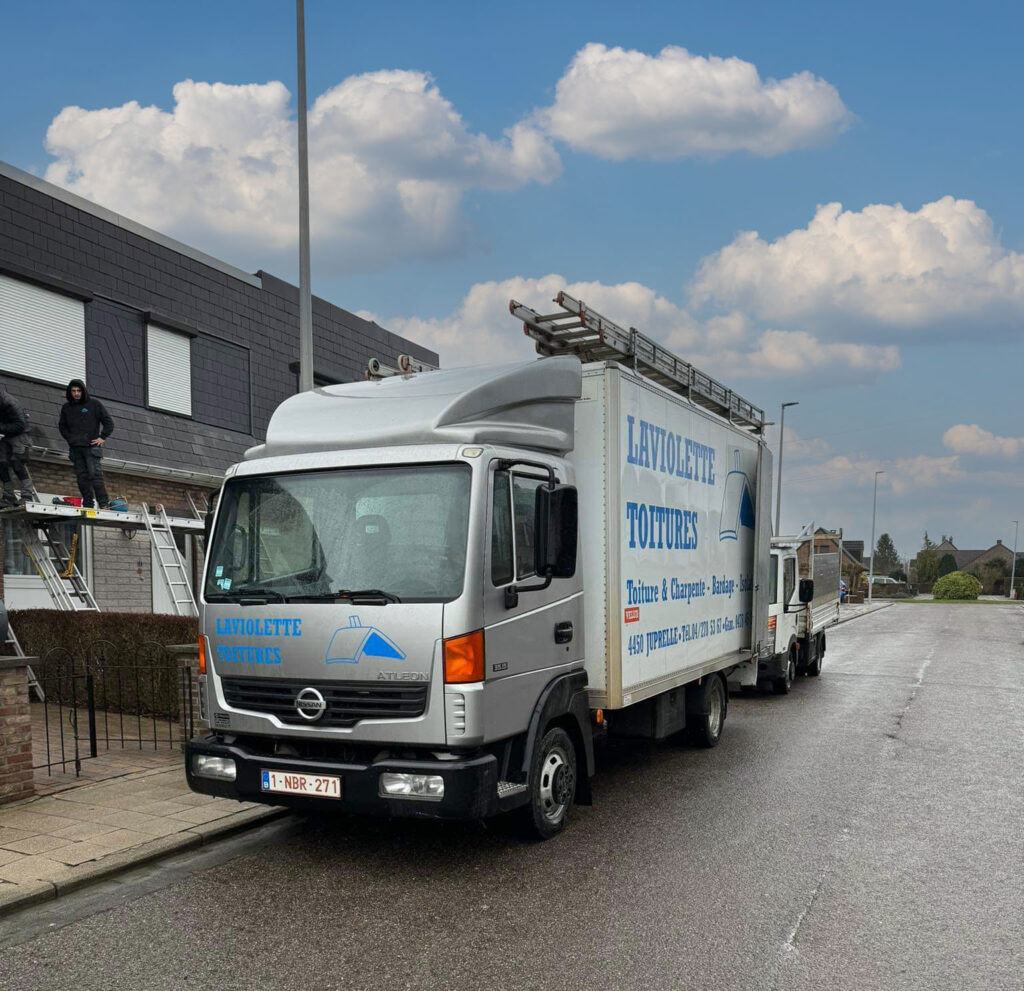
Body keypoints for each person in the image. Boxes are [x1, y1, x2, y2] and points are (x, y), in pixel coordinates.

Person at [58, 379, 114, 509]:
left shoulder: (94, 404)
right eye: (73, 391)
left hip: (91, 447)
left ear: (83, 391)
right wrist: (70, 439)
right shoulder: (66, 408)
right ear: (70, 392)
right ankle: (88, 503)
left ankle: (103, 503)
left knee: (95, 475)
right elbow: (62, 426)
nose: (76, 393)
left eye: (79, 390)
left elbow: (108, 422)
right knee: (82, 478)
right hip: (76, 448)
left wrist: (102, 437)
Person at [0, 383, 38, 507]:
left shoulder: (10, 403)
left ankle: (27, 496)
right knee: (2, 462)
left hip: (21, 434)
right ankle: (8, 496)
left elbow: (20, 425)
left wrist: (1, 428)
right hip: (8, 434)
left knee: (18, 463)